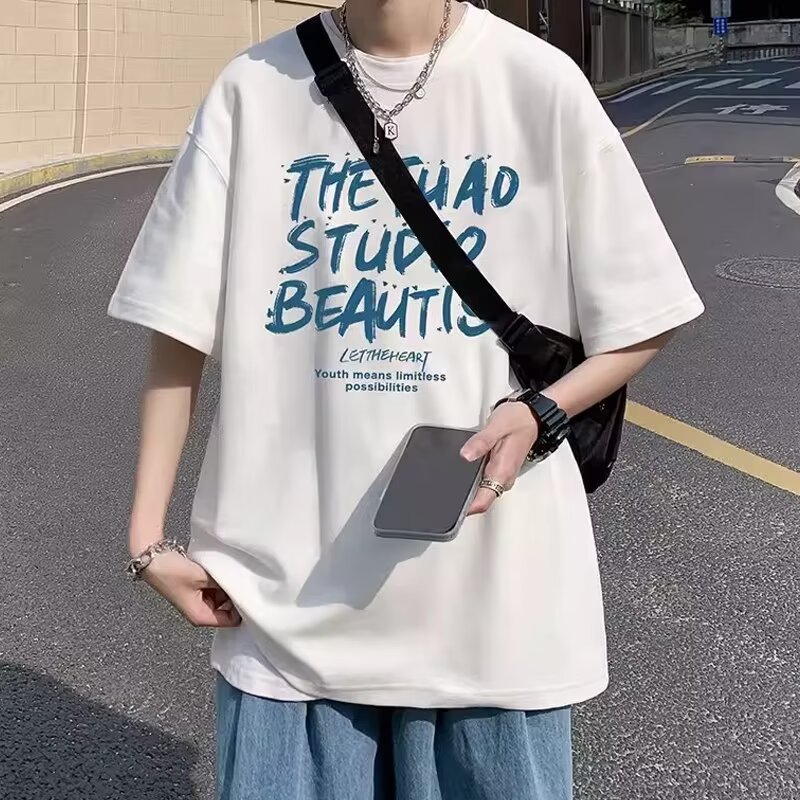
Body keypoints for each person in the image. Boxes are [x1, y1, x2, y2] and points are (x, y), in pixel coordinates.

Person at [108, 0, 704, 797]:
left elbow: (646, 312)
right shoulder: (252, 89)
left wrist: (539, 411)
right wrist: (146, 538)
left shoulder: (536, 83)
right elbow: (179, 321)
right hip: (289, 609)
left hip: (491, 611)